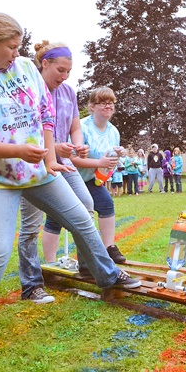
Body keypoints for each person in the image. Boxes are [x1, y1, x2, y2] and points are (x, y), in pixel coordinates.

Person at [0, 13, 140, 353]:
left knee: (80, 216)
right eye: (11, 48)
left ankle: (106, 275)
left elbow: (45, 113)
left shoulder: (25, 70)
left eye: (19, 47)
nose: (16, 55)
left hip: (36, 170)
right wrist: (17, 150)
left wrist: (49, 158)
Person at [16, 40, 125, 305]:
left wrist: (78, 144)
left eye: (69, 71)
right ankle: (31, 285)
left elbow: (75, 125)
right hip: (33, 164)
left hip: (64, 161)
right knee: (31, 225)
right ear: (45, 64)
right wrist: (54, 146)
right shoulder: (30, 90)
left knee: (87, 204)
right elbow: (27, 133)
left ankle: (87, 264)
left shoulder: (67, 92)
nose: (64, 76)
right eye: (60, 70)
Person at [71, 86, 131, 264]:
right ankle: (50, 263)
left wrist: (118, 154)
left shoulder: (113, 131)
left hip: (91, 179)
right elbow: (70, 159)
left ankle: (109, 248)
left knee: (106, 204)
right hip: (70, 178)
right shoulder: (81, 127)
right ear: (91, 106)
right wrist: (98, 163)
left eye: (111, 103)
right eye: (103, 103)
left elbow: (109, 161)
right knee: (55, 220)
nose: (108, 106)